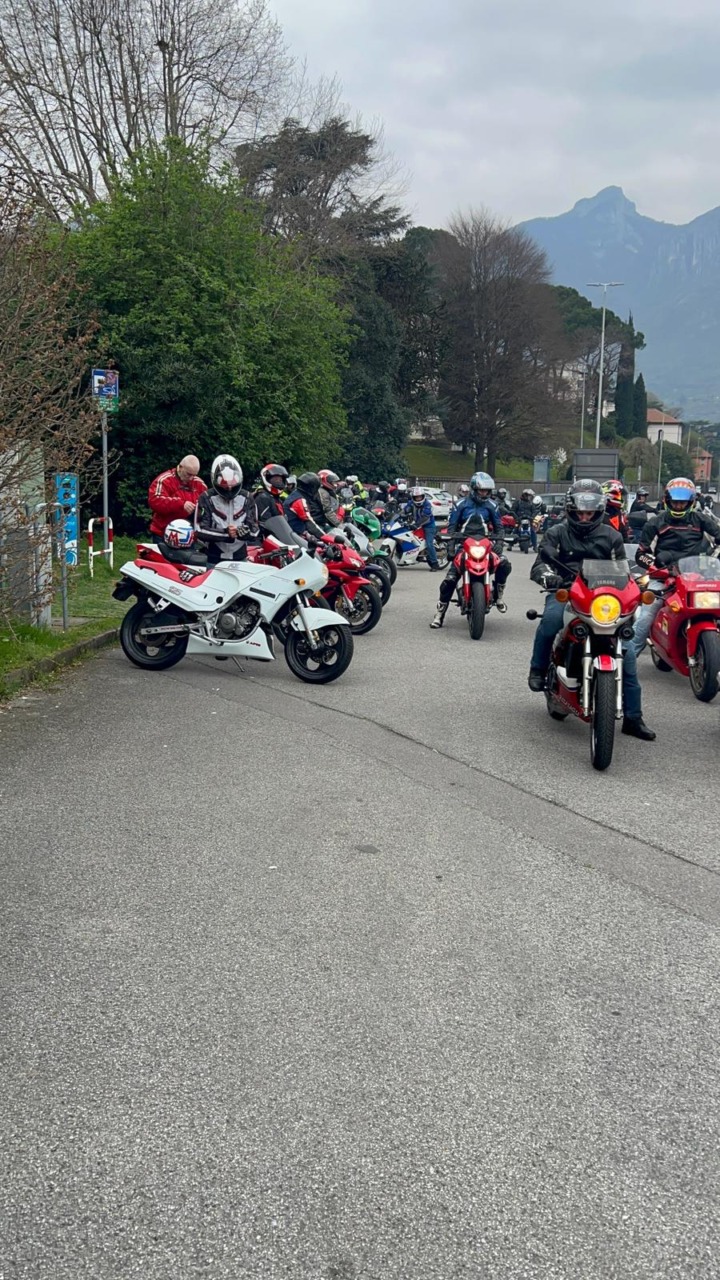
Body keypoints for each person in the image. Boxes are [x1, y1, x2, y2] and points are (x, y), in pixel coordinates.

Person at [527, 478, 655, 741]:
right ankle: (538, 669)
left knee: (628, 653)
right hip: (567, 592)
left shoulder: (612, 536)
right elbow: (540, 563)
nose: (584, 518)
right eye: (579, 512)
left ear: (599, 511)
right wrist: (547, 576)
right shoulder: (557, 533)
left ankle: (633, 717)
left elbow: (624, 570)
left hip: (604, 599)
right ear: (571, 511)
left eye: (590, 513)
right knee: (551, 620)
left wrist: (637, 586)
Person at [629, 476, 720, 656]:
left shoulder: (702, 520)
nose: (679, 506)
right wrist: (656, 566)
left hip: (698, 577)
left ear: (691, 502)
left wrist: (713, 559)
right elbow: (641, 555)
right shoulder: (655, 522)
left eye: (683, 503)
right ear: (668, 501)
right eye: (675, 502)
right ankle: (628, 656)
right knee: (647, 615)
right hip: (664, 577)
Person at [430, 471, 511, 626]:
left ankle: (499, 595)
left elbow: (499, 528)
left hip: (487, 544)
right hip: (464, 544)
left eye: (487, 491)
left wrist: (499, 544)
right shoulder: (460, 505)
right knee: (450, 579)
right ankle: (439, 614)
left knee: (505, 564)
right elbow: (452, 528)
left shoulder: (492, 506)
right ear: (474, 489)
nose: (484, 493)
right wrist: (451, 547)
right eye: (481, 490)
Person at [195, 454, 258, 563]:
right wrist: (225, 533)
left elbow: (255, 530)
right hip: (213, 558)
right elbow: (200, 530)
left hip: (240, 557)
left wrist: (245, 533)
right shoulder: (206, 497)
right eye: (224, 488)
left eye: (233, 487)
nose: (229, 490)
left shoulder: (247, 498)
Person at [148, 455, 207, 541]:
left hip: (188, 535)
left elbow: (207, 507)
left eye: (194, 475)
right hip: (163, 533)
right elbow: (155, 501)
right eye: (188, 474)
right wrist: (181, 504)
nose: (191, 478)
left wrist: (199, 512)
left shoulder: (200, 485)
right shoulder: (165, 480)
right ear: (180, 467)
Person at [404, 485, 439, 570]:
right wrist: (401, 514)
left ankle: (435, 563)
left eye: (420, 497)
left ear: (423, 496)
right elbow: (405, 509)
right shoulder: (411, 503)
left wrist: (416, 525)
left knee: (429, 544)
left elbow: (425, 517)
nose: (418, 499)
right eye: (416, 497)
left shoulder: (427, 504)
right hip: (417, 524)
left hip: (428, 526)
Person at [284, 472, 327, 541]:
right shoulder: (299, 500)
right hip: (298, 535)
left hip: (295, 532)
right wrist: (326, 538)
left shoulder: (296, 494)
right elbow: (309, 523)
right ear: (311, 487)